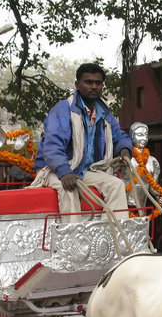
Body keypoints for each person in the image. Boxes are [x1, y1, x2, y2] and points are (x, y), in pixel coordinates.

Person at [31, 63, 131, 222]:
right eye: (88, 82)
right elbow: (53, 146)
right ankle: (74, 244)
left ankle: (114, 240)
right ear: (78, 85)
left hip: (85, 170)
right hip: (54, 169)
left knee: (116, 185)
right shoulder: (63, 109)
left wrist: (125, 150)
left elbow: (118, 136)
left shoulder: (104, 114)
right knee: (69, 188)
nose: (94, 86)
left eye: (98, 83)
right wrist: (64, 171)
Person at [128, 121, 162, 210]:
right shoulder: (126, 157)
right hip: (124, 205)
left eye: (146, 135)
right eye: (140, 135)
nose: (144, 138)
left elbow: (152, 187)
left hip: (142, 207)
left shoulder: (152, 161)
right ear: (132, 136)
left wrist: (160, 196)